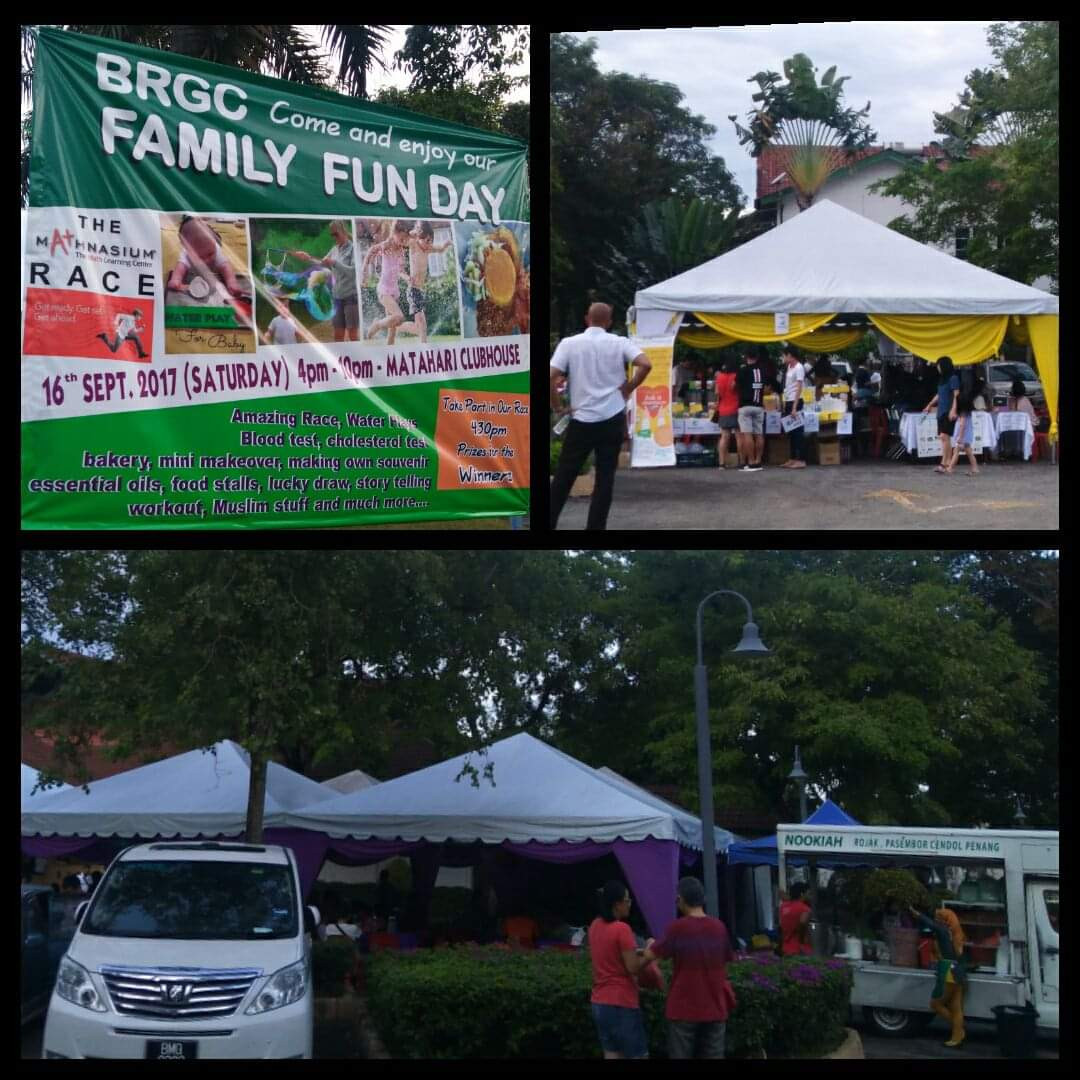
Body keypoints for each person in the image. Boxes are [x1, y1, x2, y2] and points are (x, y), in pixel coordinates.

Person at [549, 303, 651, 530]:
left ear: (587, 319)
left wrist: (557, 407)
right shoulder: (619, 342)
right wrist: (629, 387)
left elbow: (551, 375)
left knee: (565, 475)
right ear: (610, 321)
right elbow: (645, 363)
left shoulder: (569, 344)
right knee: (605, 479)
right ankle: (596, 527)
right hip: (611, 416)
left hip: (581, 418)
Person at [639, 876, 736, 1060]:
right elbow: (726, 961)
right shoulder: (719, 927)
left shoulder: (677, 928)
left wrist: (649, 945)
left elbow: (650, 955)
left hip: (683, 1007)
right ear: (702, 899)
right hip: (715, 1005)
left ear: (680, 899)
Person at [588, 881, 653, 1059]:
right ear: (617, 904)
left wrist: (638, 951)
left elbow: (610, 952)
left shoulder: (595, 926)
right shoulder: (622, 929)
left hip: (599, 1003)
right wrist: (649, 955)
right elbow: (632, 967)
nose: (630, 903)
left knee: (612, 1053)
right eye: (627, 900)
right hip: (622, 1002)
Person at [908, 904, 967, 1048]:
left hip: (948, 972)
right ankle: (957, 1036)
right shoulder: (957, 932)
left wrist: (916, 913)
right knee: (956, 1007)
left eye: (938, 917)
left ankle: (958, 1032)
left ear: (943, 920)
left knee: (936, 1004)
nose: (936, 919)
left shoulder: (942, 930)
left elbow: (929, 924)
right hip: (959, 972)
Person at [290, 219, 358, 342]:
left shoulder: (353, 249)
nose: (334, 237)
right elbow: (322, 262)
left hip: (350, 297)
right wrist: (307, 257)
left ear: (343, 230)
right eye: (332, 235)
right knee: (338, 334)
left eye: (336, 234)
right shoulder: (334, 249)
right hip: (337, 297)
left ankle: (357, 360)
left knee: (352, 334)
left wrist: (335, 263)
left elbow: (353, 272)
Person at [395, 221, 452, 343]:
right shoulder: (414, 245)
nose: (429, 244)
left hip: (420, 291)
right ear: (419, 237)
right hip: (412, 289)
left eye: (431, 241)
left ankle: (396, 327)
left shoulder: (428, 249)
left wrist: (446, 245)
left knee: (420, 328)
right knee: (422, 322)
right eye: (427, 240)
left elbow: (440, 249)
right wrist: (414, 232)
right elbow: (404, 237)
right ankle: (424, 347)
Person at [166, 215, 243, 298]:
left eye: (210, 254)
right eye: (200, 257)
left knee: (219, 248)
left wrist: (231, 282)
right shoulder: (186, 255)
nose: (207, 260)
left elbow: (225, 266)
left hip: (214, 242)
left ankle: (216, 236)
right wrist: (176, 280)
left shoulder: (216, 251)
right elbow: (180, 268)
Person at [361, 219, 411, 344]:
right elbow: (371, 250)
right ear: (394, 233)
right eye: (402, 238)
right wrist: (364, 270)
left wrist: (408, 278)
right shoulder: (385, 246)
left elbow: (400, 270)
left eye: (406, 239)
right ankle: (377, 324)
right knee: (399, 317)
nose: (404, 242)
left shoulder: (401, 251)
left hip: (395, 291)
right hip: (384, 290)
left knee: (392, 331)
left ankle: (389, 353)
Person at [923, 356, 960, 474]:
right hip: (941, 411)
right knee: (944, 438)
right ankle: (947, 462)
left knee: (944, 436)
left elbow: (956, 395)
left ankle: (944, 463)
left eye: (939, 365)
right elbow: (939, 395)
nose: (938, 368)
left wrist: (954, 409)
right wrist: (930, 404)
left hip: (949, 411)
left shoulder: (953, 378)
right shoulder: (942, 379)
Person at [735, 346, 766, 471]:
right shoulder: (762, 370)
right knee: (759, 434)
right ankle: (758, 461)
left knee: (747, 434)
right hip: (759, 406)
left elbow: (734, 385)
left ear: (746, 357)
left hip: (745, 406)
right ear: (757, 357)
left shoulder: (743, 370)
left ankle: (751, 462)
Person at [780, 344, 807, 468]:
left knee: (798, 432)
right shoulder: (789, 367)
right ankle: (792, 458)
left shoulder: (799, 367)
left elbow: (799, 387)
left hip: (796, 401)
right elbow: (788, 386)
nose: (783, 358)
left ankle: (801, 459)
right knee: (790, 431)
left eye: (784, 355)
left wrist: (795, 407)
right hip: (788, 400)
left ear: (790, 355)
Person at [713, 357, 740, 468]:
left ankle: (721, 463)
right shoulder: (736, 377)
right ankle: (741, 461)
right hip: (736, 408)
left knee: (724, 437)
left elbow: (716, 393)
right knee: (739, 436)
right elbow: (737, 389)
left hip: (723, 409)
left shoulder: (719, 377)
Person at [779, 881, 813, 956]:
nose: (810, 897)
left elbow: (782, 925)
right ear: (802, 894)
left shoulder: (783, 907)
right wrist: (801, 939)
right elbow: (803, 922)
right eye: (808, 894)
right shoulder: (805, 909)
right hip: (801, 949)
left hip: (786, 948)